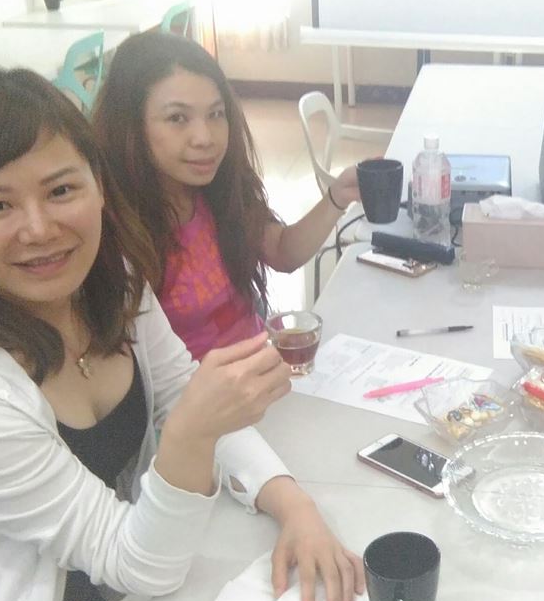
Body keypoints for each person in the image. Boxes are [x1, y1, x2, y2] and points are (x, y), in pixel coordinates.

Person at [0, 69, 363, 601]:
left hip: (78, 589)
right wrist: (190, 436)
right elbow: (140, 563)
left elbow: (179, 393)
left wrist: (294, 506)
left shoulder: (111, 284)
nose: (39, 229)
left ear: (99, 186)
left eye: (61, 191)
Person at [92, 32, 361, 360]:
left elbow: (281, 251)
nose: (205, 138)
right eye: (177, 118)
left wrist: (337, 196)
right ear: (130, 126)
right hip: (198, 389)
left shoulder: (218, 190)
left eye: (216, 114)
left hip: (262, 369)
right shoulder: (113, 231)